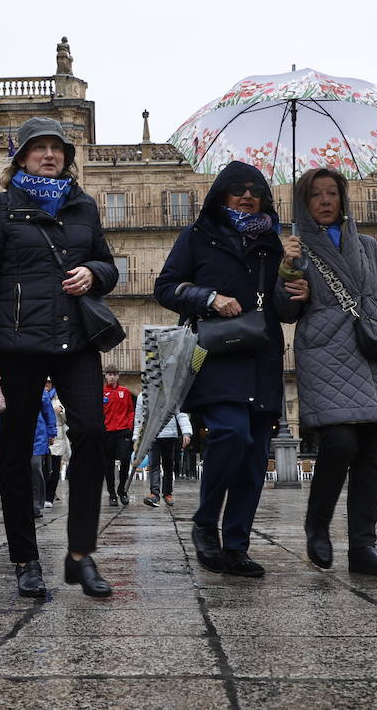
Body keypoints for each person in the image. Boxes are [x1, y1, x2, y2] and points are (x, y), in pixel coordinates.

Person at [0, 116, 118, 599]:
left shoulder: (83, 206)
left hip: (75, 339)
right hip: (17, 342)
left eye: (57, 148)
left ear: (67, 157)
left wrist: (93, 272)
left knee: (91, 431)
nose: (49, 154)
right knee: (17, 450)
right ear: (22, 157)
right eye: (38, 148)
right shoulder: (3, 207)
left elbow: (109, 264)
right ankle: (25, 558)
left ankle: (80, 553)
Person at [275, 167, 377, 578]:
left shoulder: (367, 246)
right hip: (325, 352)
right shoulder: (295, 248)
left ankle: (363, 548)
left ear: (343, 198)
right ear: (304, 202)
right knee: (339, 443)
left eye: (333, 193)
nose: (326, 200)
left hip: (371, 352)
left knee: (371, 451)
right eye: (316, 195)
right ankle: (317, 526)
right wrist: (288, 273)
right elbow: (284, 312)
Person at [155, 161, 300, 577]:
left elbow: (287, 311)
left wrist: (293, 270)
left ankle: (237, 544)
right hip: (215, 355)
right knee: (230, 433)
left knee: (255, 457)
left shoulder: (275, 242)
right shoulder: (199, 236)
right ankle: (205, 523)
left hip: (262, 356)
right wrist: (209, 298)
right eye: (237, 188)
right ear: (221, 194)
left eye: (255, 189)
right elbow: (165, 287)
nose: (247, 195)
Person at [139, 397, 192, 508]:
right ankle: (154, 494)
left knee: (168, 466)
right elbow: (139, 417)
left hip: (170, 435)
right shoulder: (145, 394)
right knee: (154, 465)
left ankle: (167, 493)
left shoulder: (173, 395)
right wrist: (137, 436)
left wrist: (186, 432)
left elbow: (181, 414)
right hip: (153, 435)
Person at [102, 367, 135, 507]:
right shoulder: (101, 392)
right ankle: (112, 494)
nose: (112, 377)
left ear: (118, 376)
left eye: (114, 374)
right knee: (108, 464)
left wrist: (129, 427)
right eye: (109, 374)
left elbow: (130, 411)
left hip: (123, 431)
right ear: (105, 376)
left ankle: (122, 490)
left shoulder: (125, 392)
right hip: (107, 432)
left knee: (126, 459)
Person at [31, 383, 59, 518]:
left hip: (38, 436)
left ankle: (36, 503)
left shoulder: (41, 392)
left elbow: (48, 412)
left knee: (35, 467)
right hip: (17, 436)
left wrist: (51, 432)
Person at [44, 392, 68, 509]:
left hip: (57, 437)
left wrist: (62, 411)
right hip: (42, 435)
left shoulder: (59, 397)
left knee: (54, 469)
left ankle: (49, 496)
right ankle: (42, 494)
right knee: (42, 468)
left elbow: (68, 418)